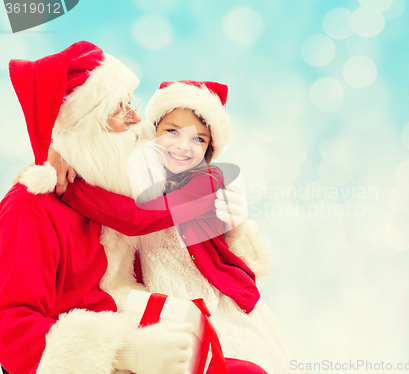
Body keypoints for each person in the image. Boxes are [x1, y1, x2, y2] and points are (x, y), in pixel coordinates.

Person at [0, 42, 257, 374]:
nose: (137, 118)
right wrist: (121, 352)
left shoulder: (121, 189)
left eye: (132, 104)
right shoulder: (31, 208)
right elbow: (9, 329)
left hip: (179, 317)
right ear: (88, 125)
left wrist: (236, 230)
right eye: (121, 109)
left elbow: (137, 216)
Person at [47, 80, 307, 374]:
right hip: (158, 296)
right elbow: (97, 151)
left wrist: (69, 188)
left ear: (210, 148)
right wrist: (57, 153)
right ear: (152, 130)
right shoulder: (137, 170)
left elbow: (137, 219)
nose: (183, 146)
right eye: (172, 131)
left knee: (244, 359)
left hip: (212, 297)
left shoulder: (208, 182)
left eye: (199, 139)